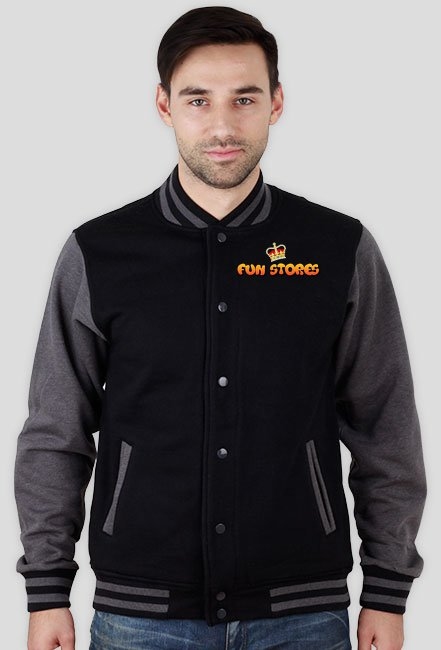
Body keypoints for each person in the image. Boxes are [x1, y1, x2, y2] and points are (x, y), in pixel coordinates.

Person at [14, 6, 427, 650]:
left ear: (277, 103)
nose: (223, 125)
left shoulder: (339, 248)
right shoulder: (98, 253)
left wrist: (387, 589)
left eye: (245, 98)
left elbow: (385, 424)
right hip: (140, 616)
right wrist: (47, 590)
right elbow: (55, 431)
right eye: (198, 99)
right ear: (164, 104)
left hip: (303, 613)